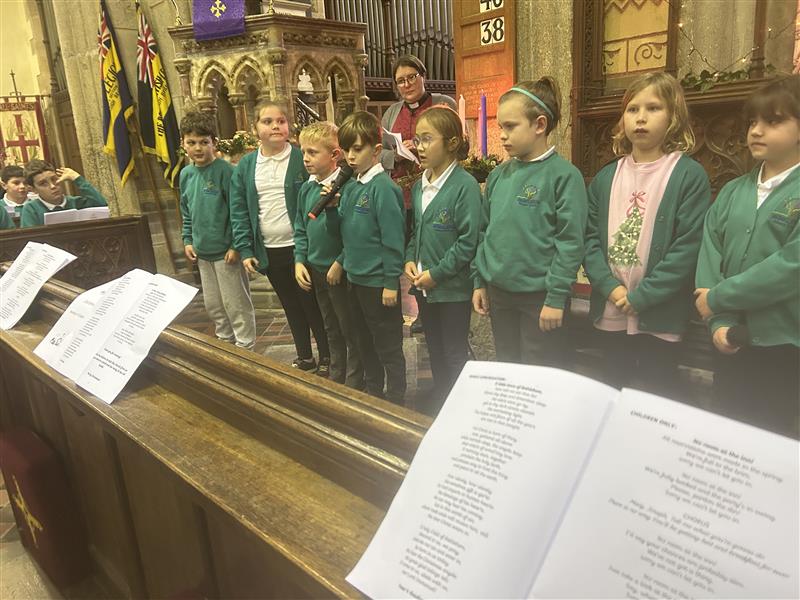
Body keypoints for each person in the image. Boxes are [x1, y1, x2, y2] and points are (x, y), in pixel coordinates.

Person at [583, 72, 710, 399]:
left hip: (660, 313)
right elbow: (590, 240)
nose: (640, 117)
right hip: (611, 309)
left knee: (655, 395)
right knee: (610, 390)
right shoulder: (606, 176)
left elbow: (687, 247)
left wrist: (643, 296)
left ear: (673, 117)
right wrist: (610, 287)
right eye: (632, 109)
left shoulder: (687, 175)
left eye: (653, 108)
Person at [695, 75, 799, 438]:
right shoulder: (732, 191)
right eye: (753, 122)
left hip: (783, 342)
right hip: (728, 338)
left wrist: (720, 297)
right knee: (725, 431)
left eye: (773, 121)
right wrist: (717, 320)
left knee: (771, 436)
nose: (757, 130)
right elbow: (711, 252)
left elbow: (791, 267)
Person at [472, 78, 587, 368]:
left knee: (541, 374)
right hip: (500, 292)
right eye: (501, 127)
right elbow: (484, 231)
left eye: (510, 126)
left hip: (540, 296)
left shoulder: (563, 176)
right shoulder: (499, 175)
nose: (502, 136)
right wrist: (480, 280)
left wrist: (556, 297)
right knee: (509, 367)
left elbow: (570, 242)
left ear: (539, 125)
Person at [229, 100, 331, 374]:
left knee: (312, 304)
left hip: (301, 247)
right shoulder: (247, 165)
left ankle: (327, 356)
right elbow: (238, 209)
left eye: (282, 121)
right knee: (290, 305)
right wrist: (246, 249)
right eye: (268, 121)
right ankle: (305, 356)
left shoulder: (301, 158)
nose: (276, 125)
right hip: (270, 248)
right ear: (255, 129)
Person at [404, 105, 480, 408]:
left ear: (451, 143)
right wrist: (410, 258)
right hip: (425, 287)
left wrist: (436, 274)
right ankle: (443, 397)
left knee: (454, 351)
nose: (419, 147)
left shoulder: (465, 187)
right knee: (433, 347)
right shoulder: (420, 185)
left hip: (451, 288)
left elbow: (468, 241)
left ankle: (461, 405)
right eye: (416, 140)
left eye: (426, 139)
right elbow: (416, 232)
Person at [382, 55, 457, 335]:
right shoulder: (392, 112)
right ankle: (422, 308)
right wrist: (400, 154)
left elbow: (457, 138)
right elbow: (381, 151)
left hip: (435, 188)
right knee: (412, 251)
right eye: (400, 80)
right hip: (403, 194)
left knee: (434, 246)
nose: (407, 84)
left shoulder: (443, 103)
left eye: (412, 77)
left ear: (423, 75)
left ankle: (439, 303)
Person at [337, 111, 406, 403]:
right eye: (346, 149)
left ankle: (397, 397)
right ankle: (375, 391)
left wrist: (391, 282)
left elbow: (393, 241)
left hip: (379, 283)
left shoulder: (384, 189)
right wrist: (341, 262)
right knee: (363, 340)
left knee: (387, 344)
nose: (350, 156)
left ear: (376, 151)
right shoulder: (352, 186)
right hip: (355, 278)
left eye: (357, 148)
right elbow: (352, 233)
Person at [294, 121, 364, 388]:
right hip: (316, 268)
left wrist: (341, 261)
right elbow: (300, 227)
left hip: (340, 270)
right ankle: (338, 375)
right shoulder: (306, 189)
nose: (306, 158)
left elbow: (355, 233)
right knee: (330, 327)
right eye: (303, 152)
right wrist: (300, 259)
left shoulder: (346, 188)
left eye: (312, 152)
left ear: (335, 155)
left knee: (350, 328)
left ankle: (356, 380)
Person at [179, 111, 256, 350]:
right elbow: (186, 211)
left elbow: (238, 212)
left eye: (204, 142)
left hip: (226, 253)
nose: (198, 148)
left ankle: (245, 347)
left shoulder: (226, 172)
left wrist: (236, 245)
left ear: (214, 142)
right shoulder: (186, 174)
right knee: (214, 304)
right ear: (183, 144)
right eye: (191, 143)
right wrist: (188, 239)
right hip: (203, 253)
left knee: (235, 303)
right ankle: (225, 341)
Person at [21, 160, 108, 228]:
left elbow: (102, 206)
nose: (52, 186)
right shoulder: (31, 209)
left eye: (54, 179)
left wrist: (77, 178)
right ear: (33, 190)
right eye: (43, 183)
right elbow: (30, 240)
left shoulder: (76, 202)